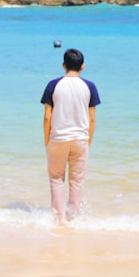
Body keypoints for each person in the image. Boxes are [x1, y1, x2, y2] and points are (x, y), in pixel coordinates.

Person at [41, 48, 101, 223]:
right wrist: (88, 140)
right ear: (82, 66)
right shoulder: (90, 87)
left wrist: (47, 139)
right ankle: (74, 219)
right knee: (77, 181)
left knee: (56, 179)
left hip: (57, 138)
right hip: (81, 139)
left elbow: (47, 116)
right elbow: (92, 119)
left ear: (64, 65)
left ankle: (58, 220)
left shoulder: (53, 85)